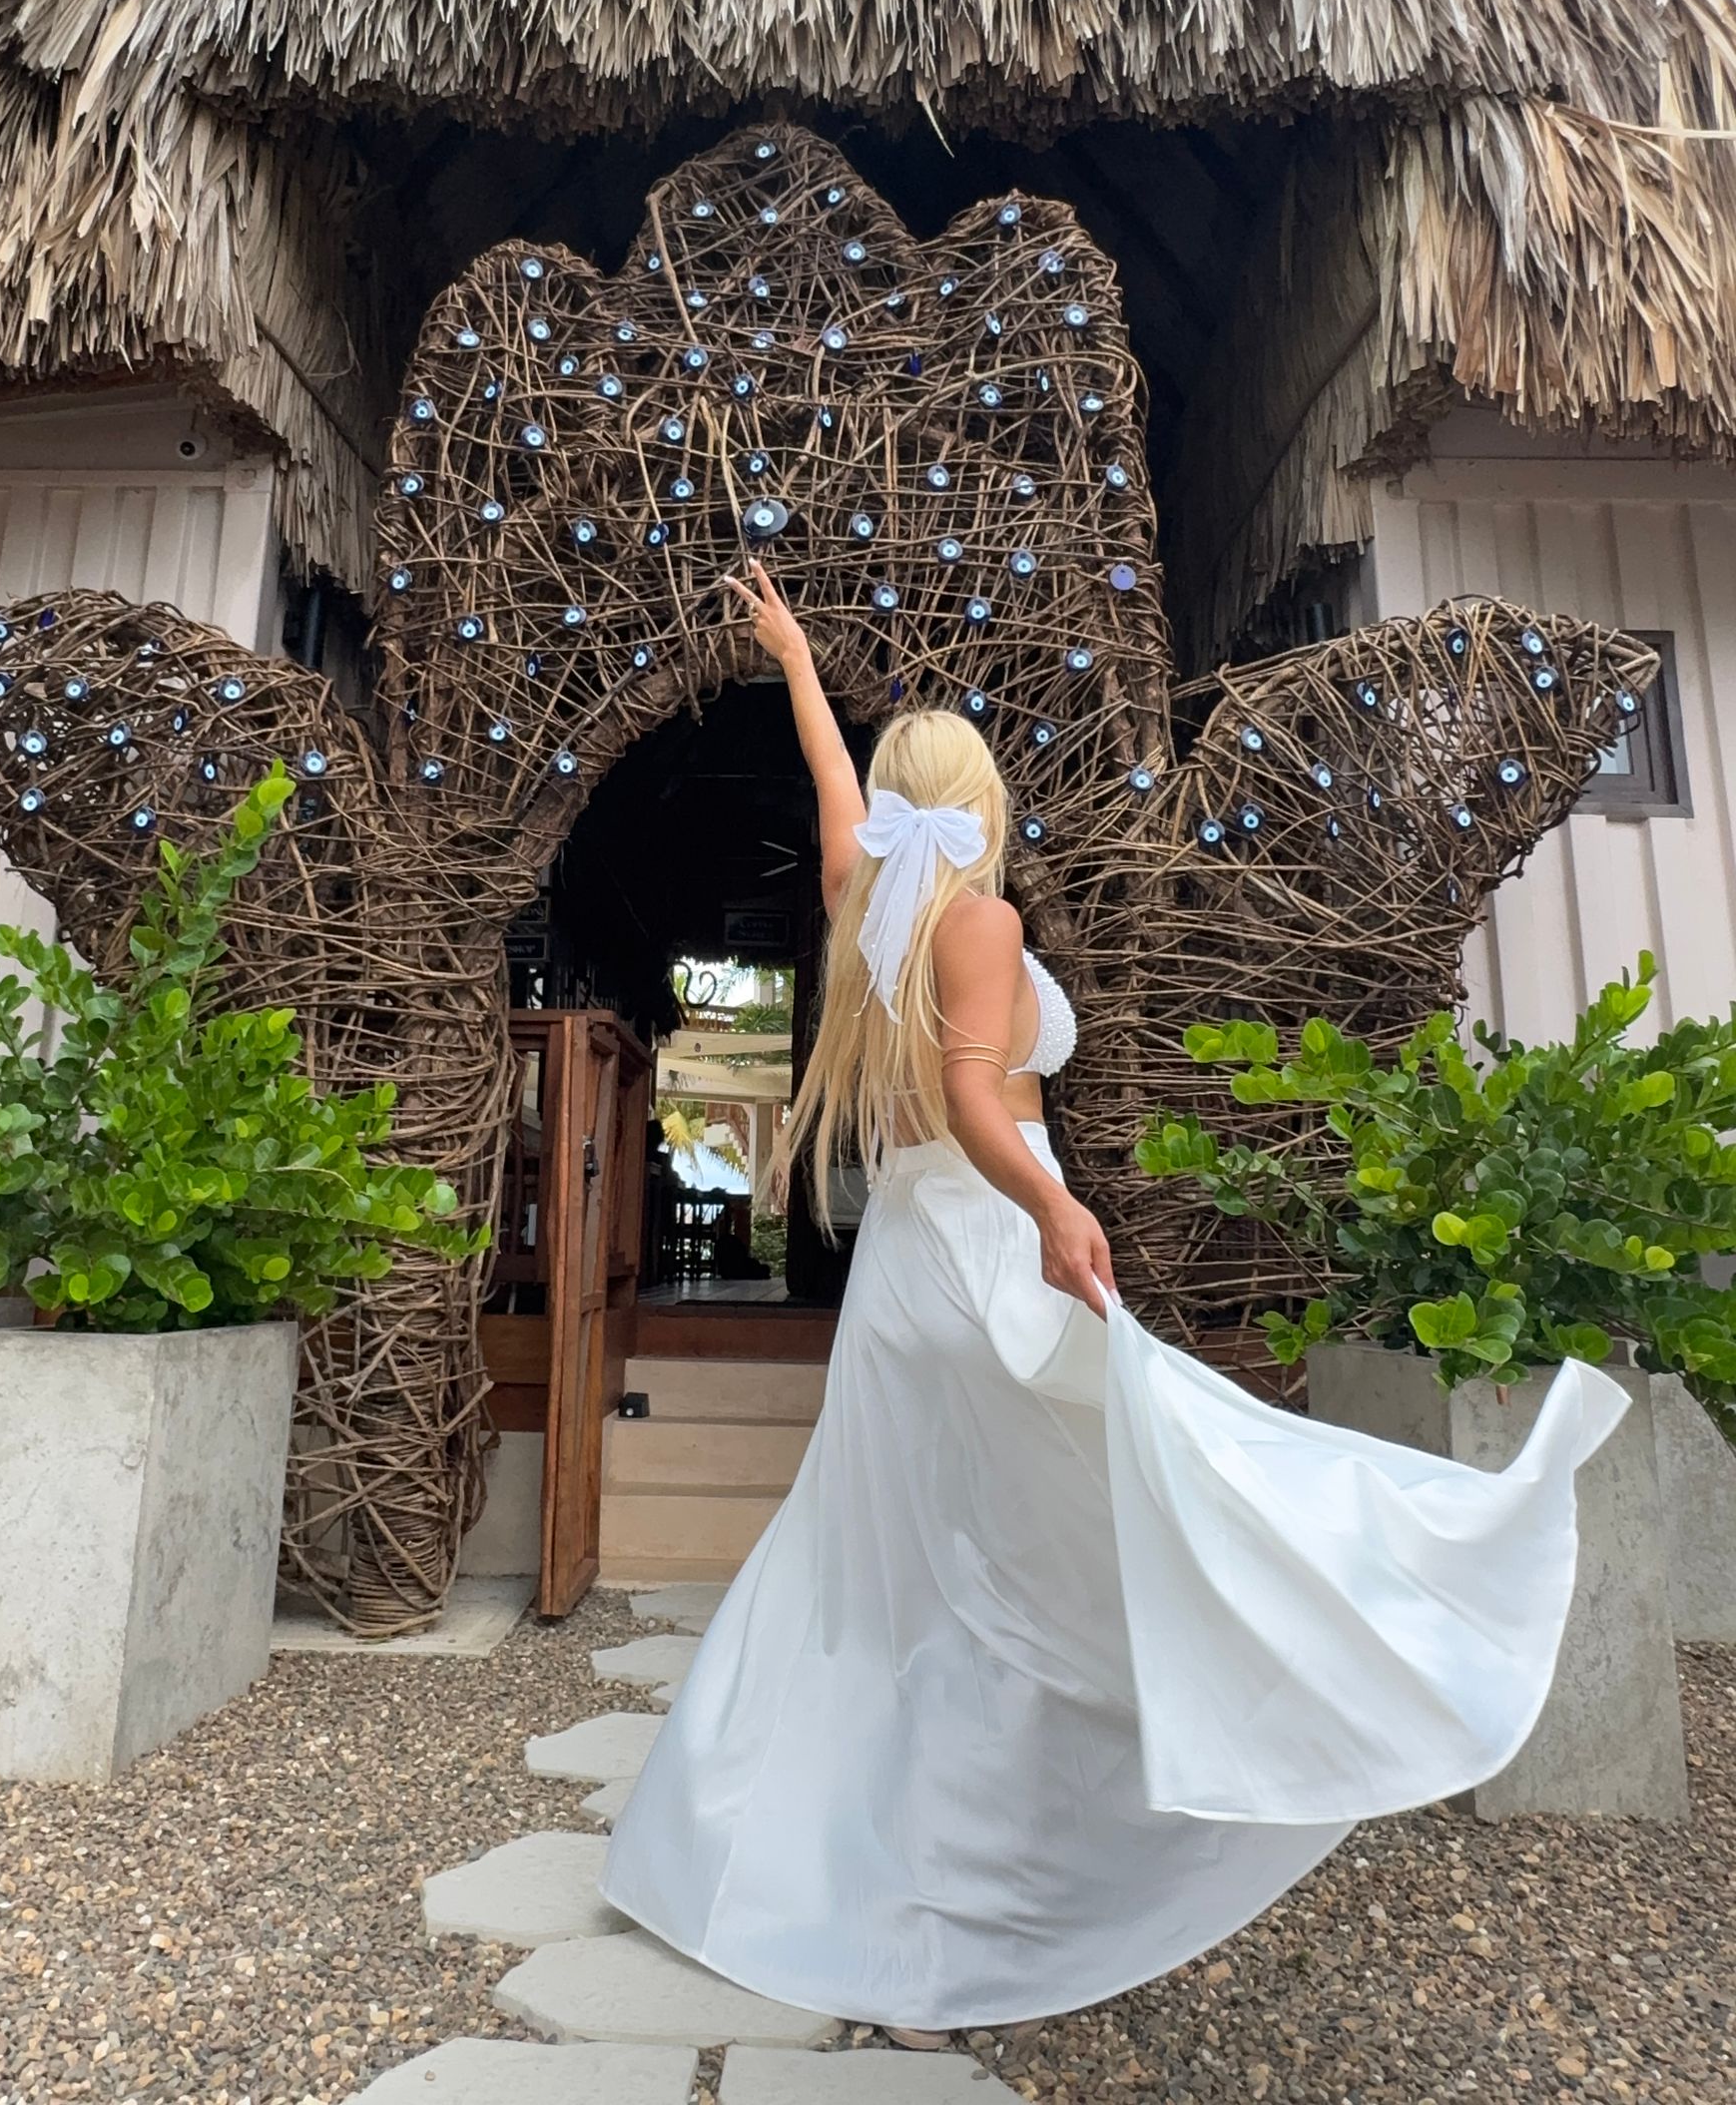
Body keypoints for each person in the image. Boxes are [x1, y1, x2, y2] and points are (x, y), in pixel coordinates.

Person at [600, 563, 1627, 2048]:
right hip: (980, 1256)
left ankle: (786, 1853)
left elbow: (830, 782)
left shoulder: (862, 894)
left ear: (896, 803)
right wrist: (1057, 1206)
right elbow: (969, 1094)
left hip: (898, 1275)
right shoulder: (983, 921)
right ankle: (1196, 1736)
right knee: (1137, 1494)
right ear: (979, 800)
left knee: (889, 1560)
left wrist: (796, 663)